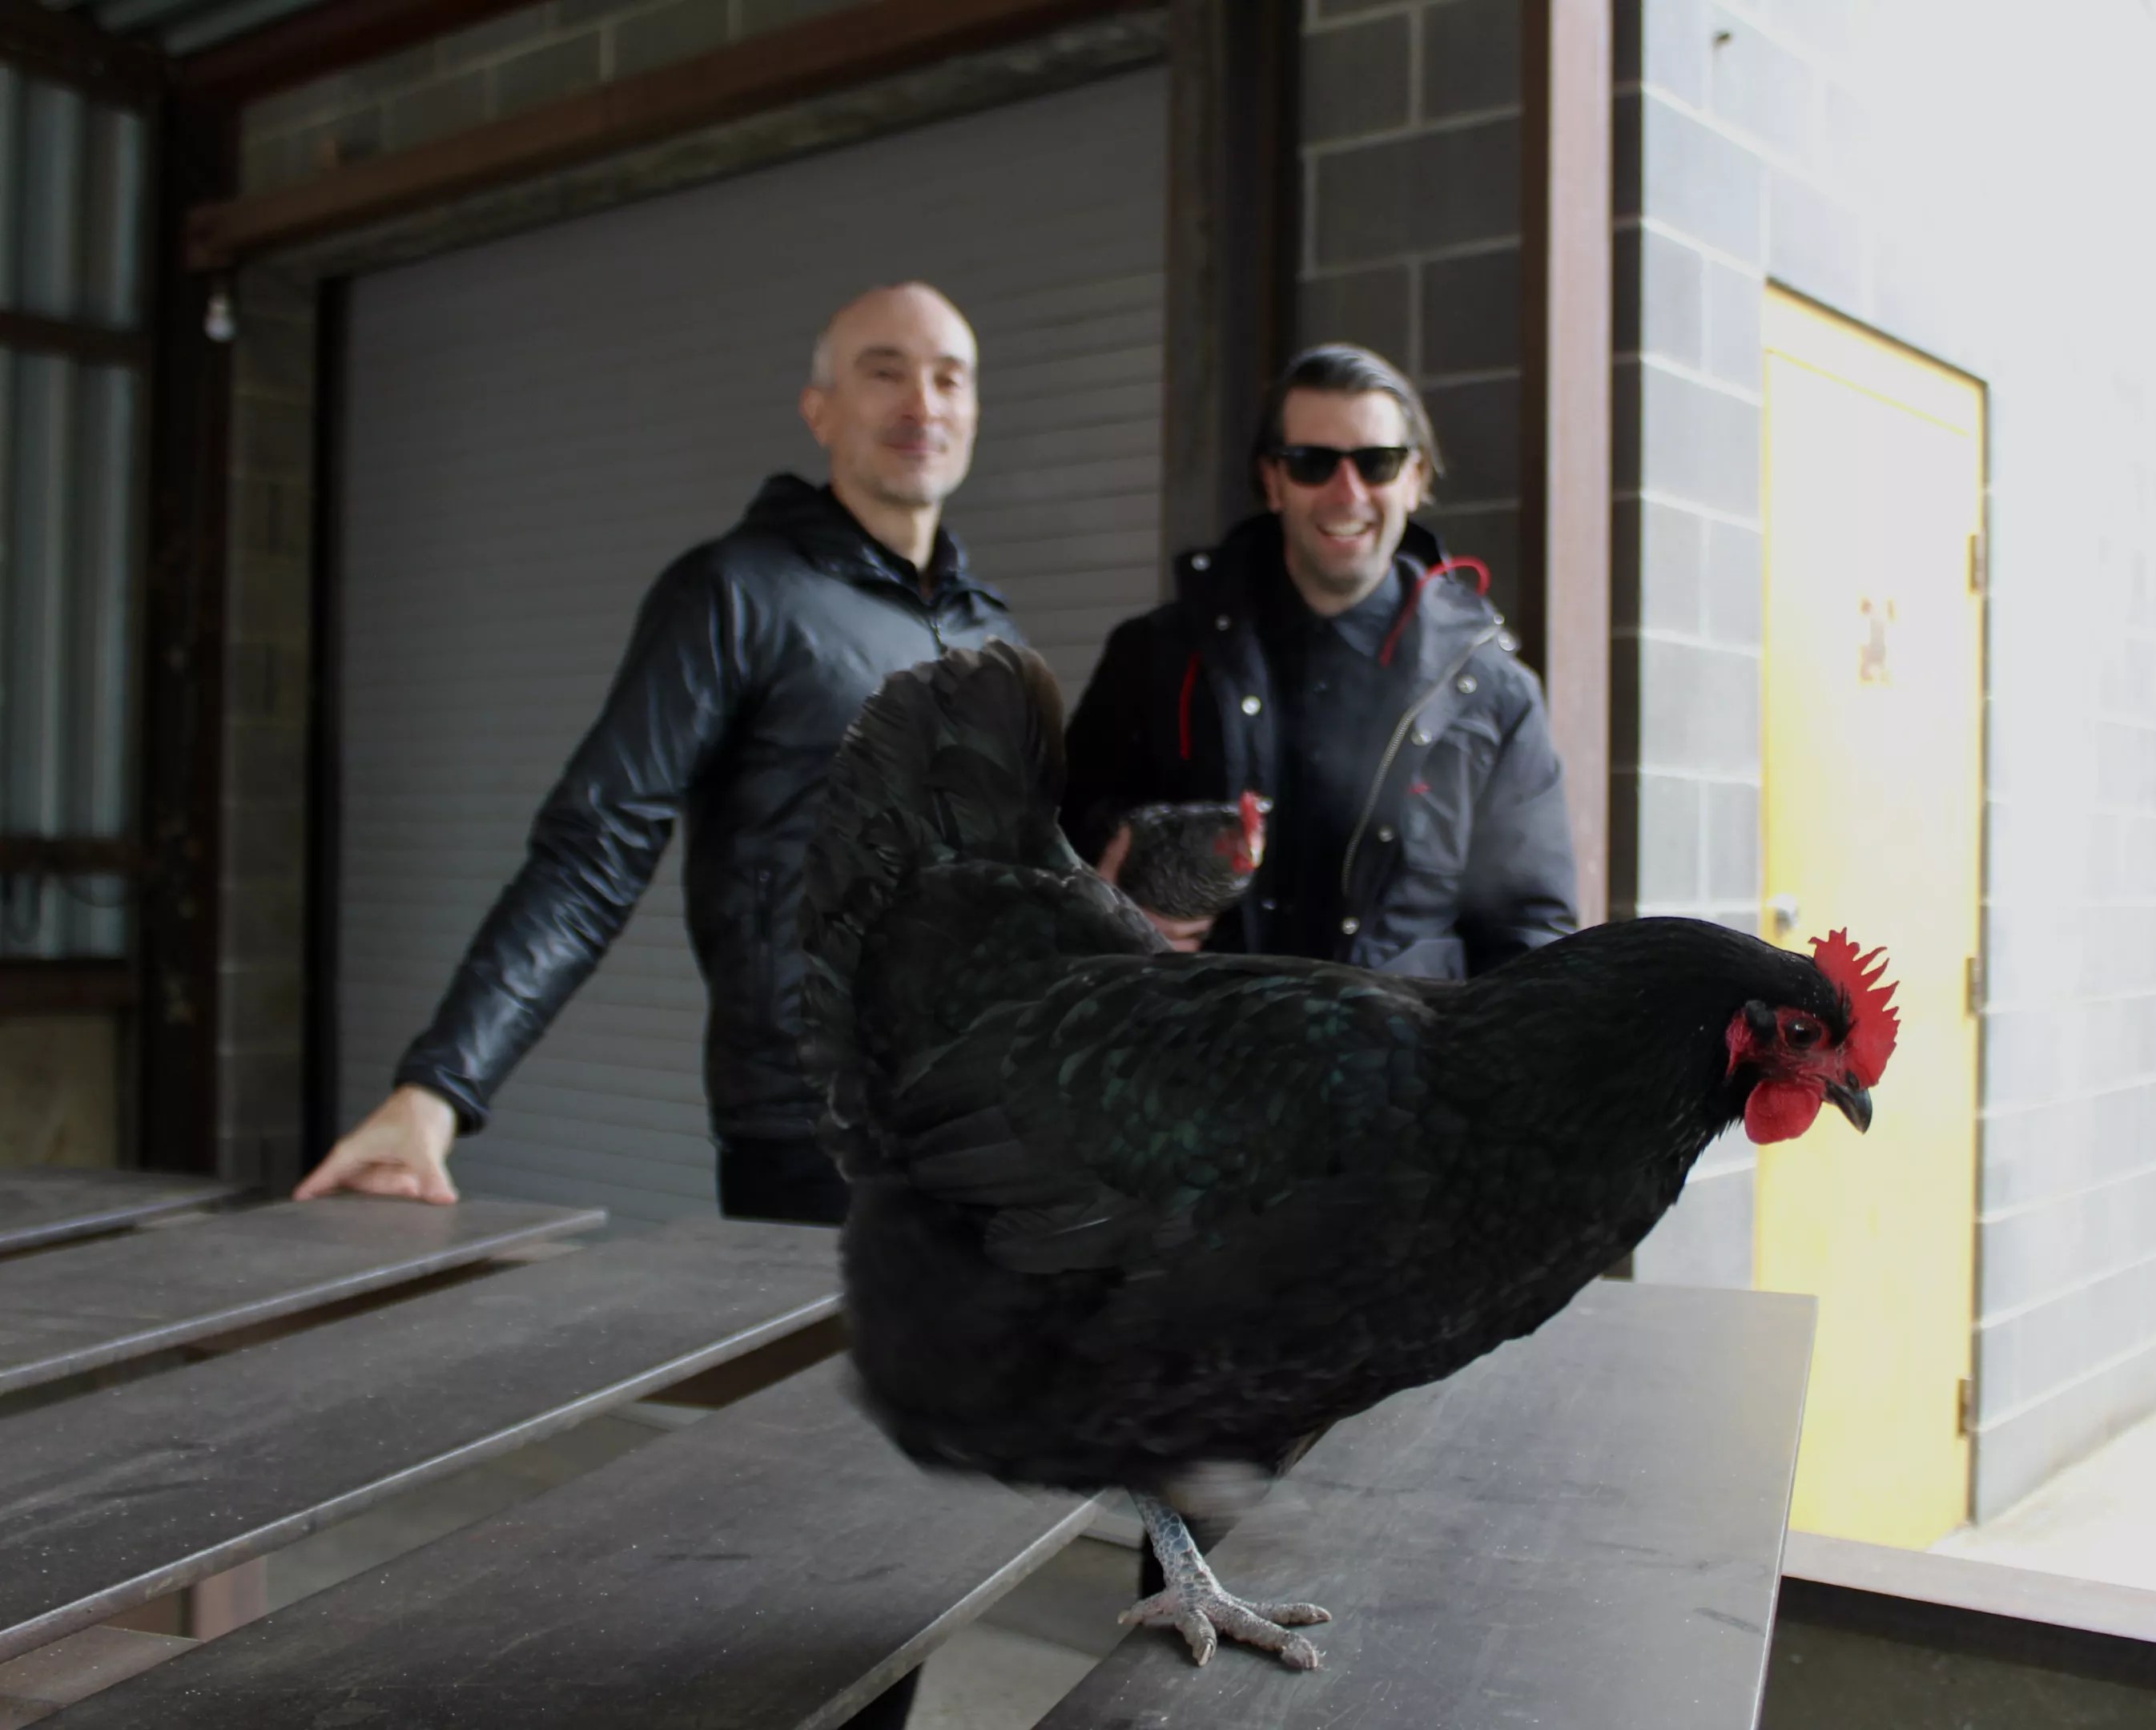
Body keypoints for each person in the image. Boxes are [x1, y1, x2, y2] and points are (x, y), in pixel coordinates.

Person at [296, 282, 1015, 1227]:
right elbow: (592, 853)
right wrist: (438, 1086)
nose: (923, 405)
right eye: (885, 374)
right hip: (820, 1138)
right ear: (820, 410)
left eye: (948, 380)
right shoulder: (734, 594)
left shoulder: (989, 630)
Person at [1061, 342, 1579, 978]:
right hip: (1200, 1057)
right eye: (1312, 464)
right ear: (1273, 481)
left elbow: (1531, 937)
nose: (1347, 491)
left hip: (1403, 1067)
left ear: (1416, 479)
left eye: (1378, 462)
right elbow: (1060, 838)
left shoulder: (1491, 691)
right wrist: (1121, 888)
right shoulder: (1158, 653)